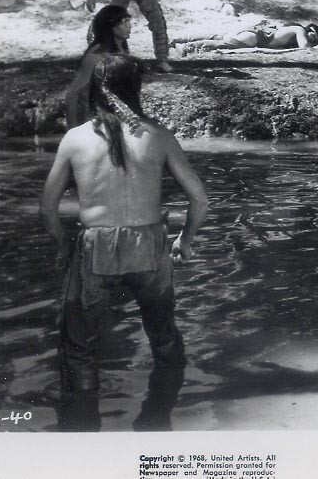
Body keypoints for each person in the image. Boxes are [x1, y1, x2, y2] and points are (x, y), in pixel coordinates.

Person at [39, 54, 208, 393]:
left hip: (95, 247)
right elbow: (200, 199)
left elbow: (47, 208)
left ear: (95, 91)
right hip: (149, 246)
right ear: (135, 88)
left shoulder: (75, 138)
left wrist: (63, 246)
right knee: (164, 338)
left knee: (80, 348)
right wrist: (184, 241)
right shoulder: (158, 136)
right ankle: (163, 414)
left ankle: (82, 426)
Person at [65, 5, 131, 128]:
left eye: (129, 21)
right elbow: (73, 95)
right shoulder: (97, 54)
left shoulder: (121, 49)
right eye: (124, 22)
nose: (129, 25)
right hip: (95, 122)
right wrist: (73, 131)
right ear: (111, 27)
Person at [173, 23, 318, 54]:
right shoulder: (299, 29)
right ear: (308, 29)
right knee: (224, 44)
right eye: (313, 36)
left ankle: (177, 40)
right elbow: (305, 48)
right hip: (255, 37)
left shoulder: (289, 30)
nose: (312, 40)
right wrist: (314, 48)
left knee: (219, 36)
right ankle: (185, 47)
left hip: (255, 31)